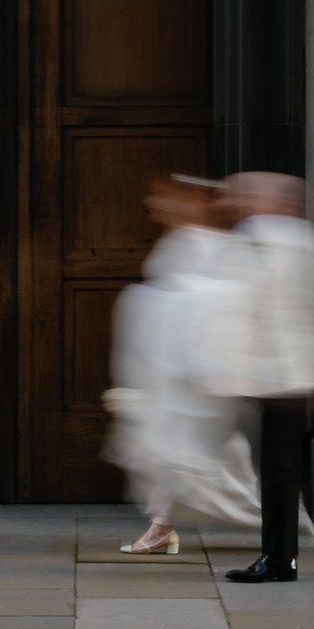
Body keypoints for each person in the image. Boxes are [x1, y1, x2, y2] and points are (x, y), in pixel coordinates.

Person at [103, 175, 262, 555]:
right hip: (164, 367)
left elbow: (231, 302)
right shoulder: (176, 242)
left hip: (195, 368)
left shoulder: (218, 246)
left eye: (172, 200)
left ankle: (270, 517)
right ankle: (162, 526)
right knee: (165, 451)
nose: (161, 207)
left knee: (186, 453)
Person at [212, 171, 314, 584]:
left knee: (277, 469)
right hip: (297, 370)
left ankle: (280, 558)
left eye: (244, 193)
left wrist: (239, 369)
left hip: (273, 372)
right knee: (281, 466)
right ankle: (281, 555)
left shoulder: (259, 236)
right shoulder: (309, 239)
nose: (236, 199)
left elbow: (247, 306)